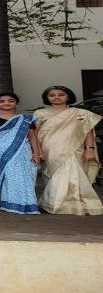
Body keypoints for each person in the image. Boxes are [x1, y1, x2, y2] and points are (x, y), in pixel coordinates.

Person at [34, 86, 102, 215]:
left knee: (74, 176)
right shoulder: (40, 113)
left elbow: (87, 132)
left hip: (74, 149)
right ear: (47, 98)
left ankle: (77, 205)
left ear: (68, 96)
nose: (56, 97)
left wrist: (90, 149)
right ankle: (52, 203)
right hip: (50, 150)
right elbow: (34, 134)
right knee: (54, 177)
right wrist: (38, 151)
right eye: (52, 95)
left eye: (61, 94)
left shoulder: (81, 113)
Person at [0, 92, 41, 215]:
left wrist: (36, 154)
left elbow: (32, 137)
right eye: (2, 101)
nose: (6, 103)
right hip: (2, 154)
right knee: (9, 179)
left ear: (17, 103)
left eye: (11, 101)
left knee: (26, 179)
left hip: (23, 153)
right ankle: (10, 203)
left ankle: (28, 205)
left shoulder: (26, 119)